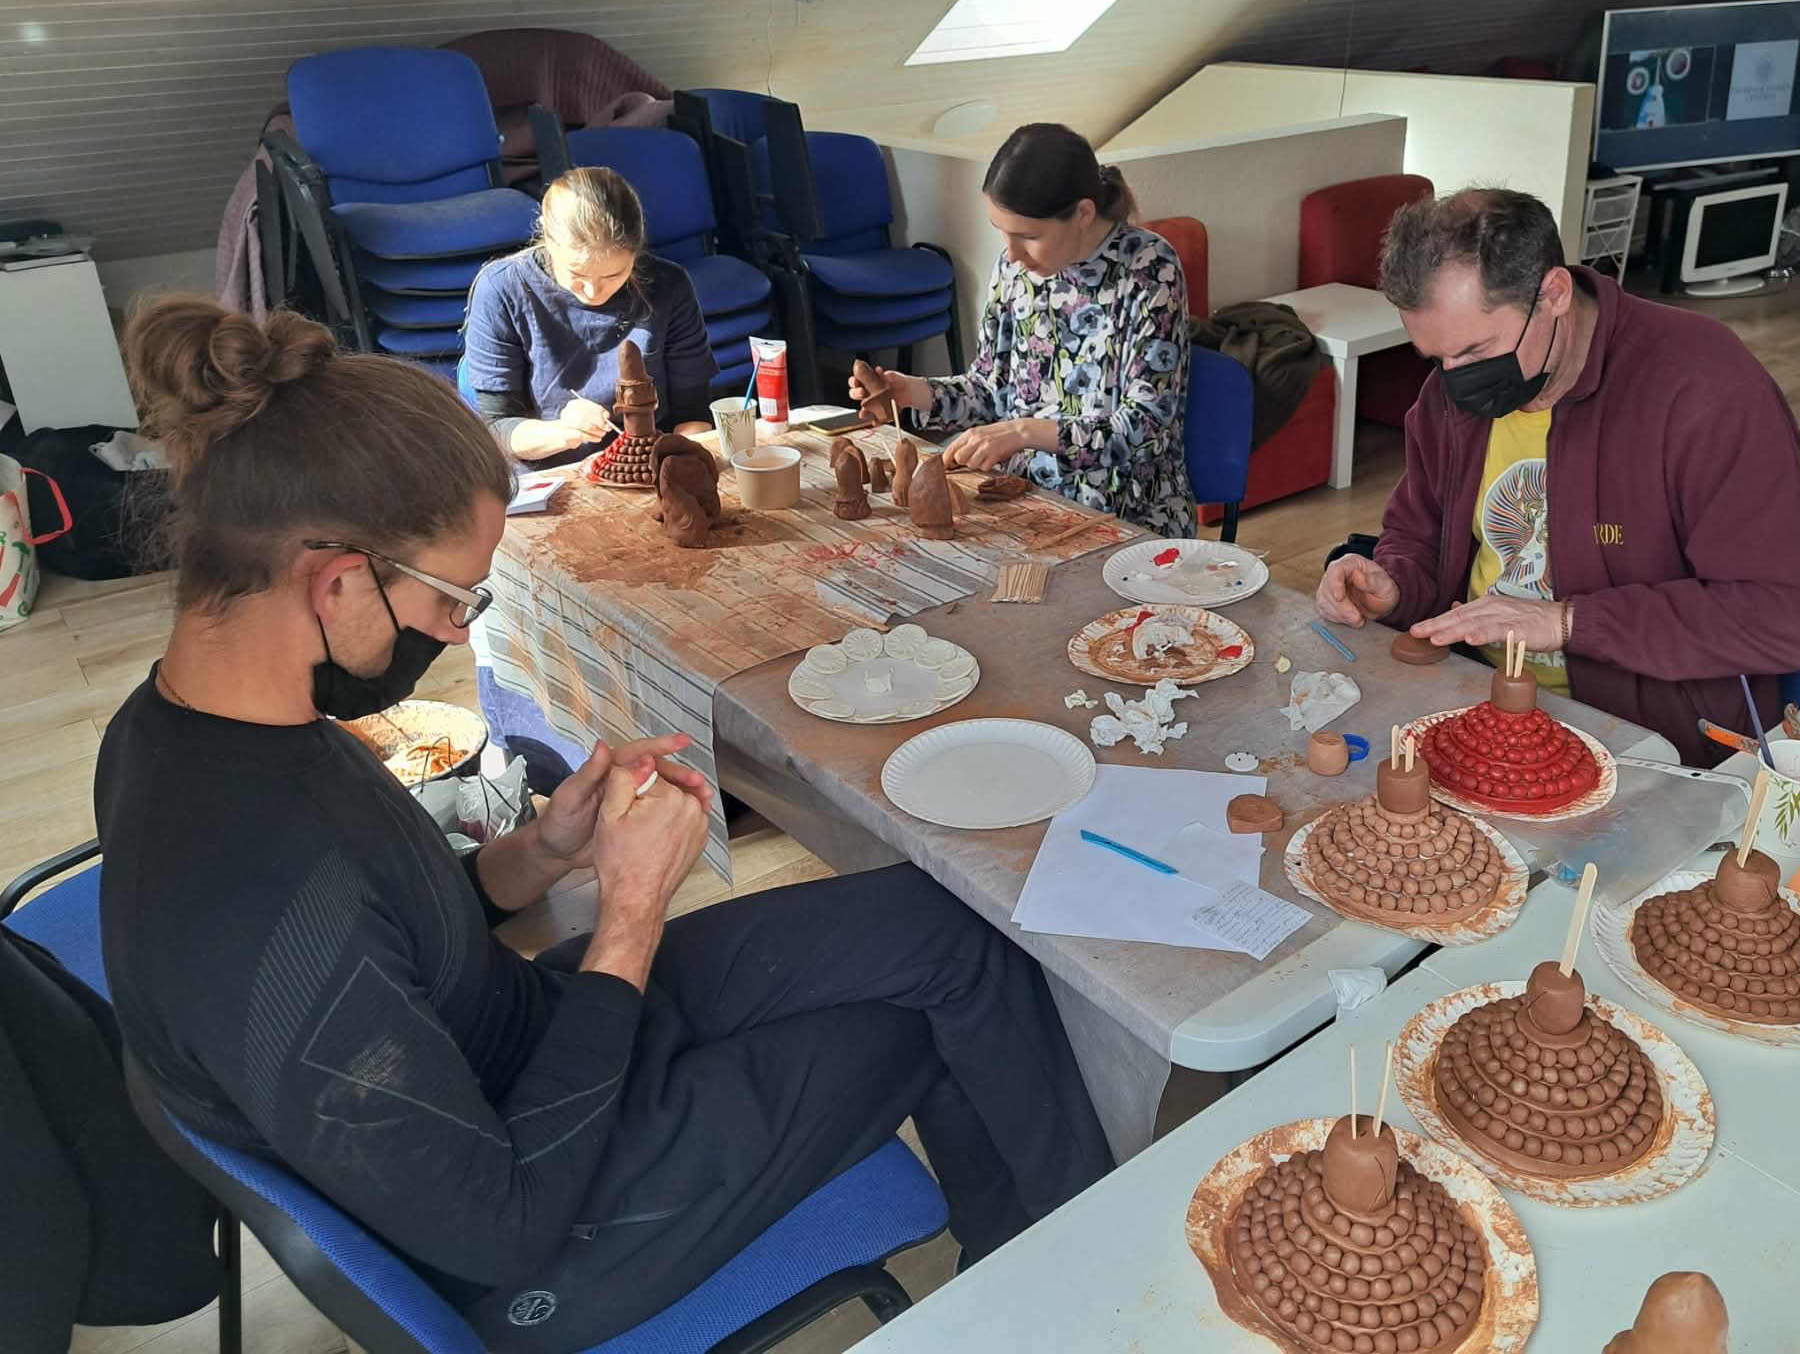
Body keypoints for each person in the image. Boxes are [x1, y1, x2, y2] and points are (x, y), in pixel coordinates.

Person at [97, 297, 1113, 1352]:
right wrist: (629, 915)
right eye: (455, 602)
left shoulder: (196, 725)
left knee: (948, 931)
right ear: (340, 581)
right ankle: (1080, 1287)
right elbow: (499, 1225)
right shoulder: (245, 898)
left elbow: (386, 931)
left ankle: (1051, 1255)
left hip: (529, 1041)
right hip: (541, 1218)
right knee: (928, 1022)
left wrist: (541, 851)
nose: (460, 634)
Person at [1314, 188, 1800, 766]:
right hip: (1477, 700)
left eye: (1476, 351)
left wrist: (1569, 623)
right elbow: (1419, 535)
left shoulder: (1706, 390)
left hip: (1647, 738)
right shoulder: (1454, 393)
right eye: (1436, 358)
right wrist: (1392, 583)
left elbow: (1790, 616)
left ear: (1554, 294)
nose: (1455, 378)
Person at [848, 122, 1195, 537]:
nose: (1011, 254)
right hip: (1024, 496)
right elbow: (991, 390)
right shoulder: (1016, 271)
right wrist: (913, 393)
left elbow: (1145, 430)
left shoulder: (1150, 270)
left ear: (1083, 214)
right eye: (1002, 232)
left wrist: (1024, 431)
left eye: (1028, 236)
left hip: (1126, 512)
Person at [461, 166, 714, 467]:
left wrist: (683, 463)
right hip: (553, 470)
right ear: (547, 238)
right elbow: (497, 429)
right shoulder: (503, 289)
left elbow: (692, 413)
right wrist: (561, 431)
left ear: (636, 252)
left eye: (614, 274)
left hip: (652, 463)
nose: (594, 291)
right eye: (577, 274)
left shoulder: (669, 285)